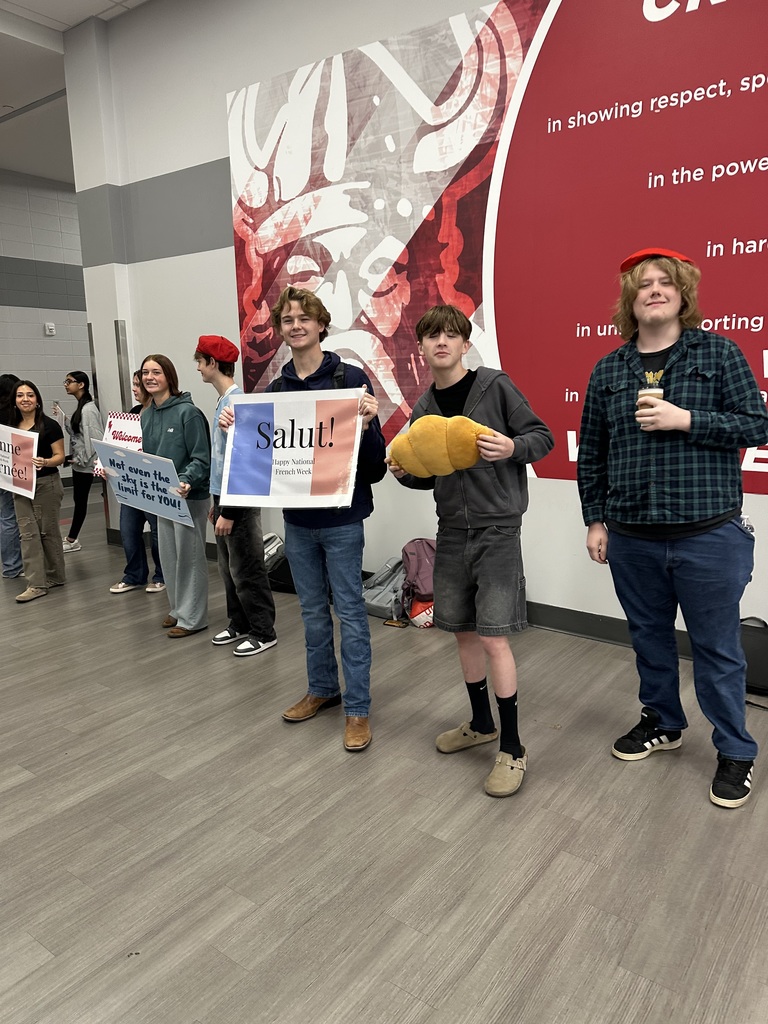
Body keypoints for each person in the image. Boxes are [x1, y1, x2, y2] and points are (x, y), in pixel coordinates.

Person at [577, 246, 768, 809]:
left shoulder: (718, 352)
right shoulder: (609, 369)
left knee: (717, 650)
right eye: (643, 284)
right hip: (632, 536)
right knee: (650, 640)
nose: (654, 290)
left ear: (683, 295)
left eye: (666, 282)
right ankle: (663, 722)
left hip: (709, 534)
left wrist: (687, 420)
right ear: (629, 301)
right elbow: (593, 453)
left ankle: (735, 750)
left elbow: (757, 423)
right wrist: (595, 519)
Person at [390, 305, 554, 797]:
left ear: (465, 344)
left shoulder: (495, 386)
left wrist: (512, 449)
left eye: (451, 335)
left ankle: (514, 747)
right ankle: (480, 723)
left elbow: (541, 437)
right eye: (432, 336)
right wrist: (406, 474)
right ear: (420, 349)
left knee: (495, 637)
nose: (441, 342)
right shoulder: (423, 410)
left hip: (498, 531)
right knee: (461, 633)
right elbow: (430, 476)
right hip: (452, 531)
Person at [223, 286, 386, 750]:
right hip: (298, 522)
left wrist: (371, 425)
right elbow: (264, 463)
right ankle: (322, 689)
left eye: (303, 318)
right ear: (281, 330)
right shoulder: (276, 391)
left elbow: (374, 465)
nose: (295, 325)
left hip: (342, 520)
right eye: (287, 320)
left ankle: (357, 710)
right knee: (313, 612)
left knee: (351, 613)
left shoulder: (350, 380)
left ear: (319, 325)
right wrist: (238, 434)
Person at [195, 333, 277, 657]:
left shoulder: (237, 403)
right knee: (228, 568)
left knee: (247, 567)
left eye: (200, 363)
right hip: (223, 497)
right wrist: (217, 503)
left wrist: (228, 509)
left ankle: (263, 630)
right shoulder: (224, 401)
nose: (199, 370)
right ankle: (239, 623)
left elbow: (243, 461)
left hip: (237, 501)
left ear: (212, 363)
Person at [140, 354, 210, 638]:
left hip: (189, 496)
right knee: (168, 557)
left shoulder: (188, 412)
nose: (149, 377)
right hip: (161, 496)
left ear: (169, 376)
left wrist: (186, 480)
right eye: (145, 372)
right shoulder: (146, 414)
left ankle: (193, 618)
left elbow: (202, 458)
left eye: (156, 372)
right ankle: (178, 609)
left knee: (190, 558)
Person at [109, 370, 165, 595]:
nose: (134, 389)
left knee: (157, 532)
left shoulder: (159, 413)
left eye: (137, 385)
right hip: (131, 483)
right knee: (129, 530)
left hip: (151, 482)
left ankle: (162, 574)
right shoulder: (132, 413)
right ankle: (134, 575)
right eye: (133, 384)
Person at [12, 379, 66, 602]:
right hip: (20, 484)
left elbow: (60, 457)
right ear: (14, 401)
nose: (25, 399)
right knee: (27, 533)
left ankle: (55, 576)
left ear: (37, 400)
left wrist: (45, 462)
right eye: (20, 395)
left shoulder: (50, 425)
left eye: (30, 395)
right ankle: (36, 584)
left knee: (48, 532)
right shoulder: (9, 426)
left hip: (46, 484)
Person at [54, 370, 104, 552]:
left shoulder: (89, 409)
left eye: (69, 381)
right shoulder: (82, 407)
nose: (66, 384)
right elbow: (79, 434)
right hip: (79, 463)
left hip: (85, 465)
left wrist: (81, 460)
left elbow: (95, 439)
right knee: (79, 499)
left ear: (81, 384)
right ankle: (72, 538)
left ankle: (72, 539)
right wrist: (65, 419)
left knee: (81, 501)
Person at [0, 372, 24, 579]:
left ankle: (10, 565)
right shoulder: (13, 416)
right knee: (12, 518)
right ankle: (14, 566)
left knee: (4, 518)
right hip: (11, 470)